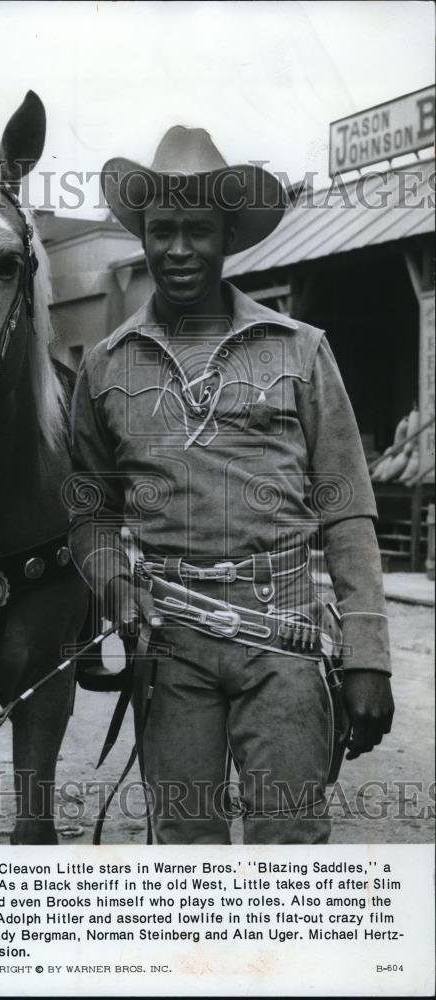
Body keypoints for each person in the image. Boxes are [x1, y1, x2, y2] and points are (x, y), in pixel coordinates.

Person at [68, 126, 394, 844]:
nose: (178, 250)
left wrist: (366, 656)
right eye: (161, 232)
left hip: (283, 635)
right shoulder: (104, 366)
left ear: (226, 238)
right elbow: (89, 513)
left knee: (289, 843)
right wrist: (118, 593)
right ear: (143, 237)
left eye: (196, 231)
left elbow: (347, 508)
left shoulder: (299, 349)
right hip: (169, 642)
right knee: (186, 847)